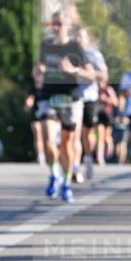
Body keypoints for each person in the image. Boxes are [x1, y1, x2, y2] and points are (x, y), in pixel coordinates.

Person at [38, 11, 95, 202]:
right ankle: (55, 174)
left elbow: (92, 75)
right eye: (54, 23)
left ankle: (67, 184)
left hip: (70, 98)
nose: (56, 27)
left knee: (67, 144)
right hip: (49, 96)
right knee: (48, 140)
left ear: (68, 27)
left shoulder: (75, 47)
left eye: (60, 24)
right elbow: (38, 70)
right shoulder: (45, 46)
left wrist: (74, 70)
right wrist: (38, 71)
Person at [74, 26, 107, 181]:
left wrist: (86, 73)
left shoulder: (94, 55)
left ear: (87, 39)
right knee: (75, 133)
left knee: (87, 133)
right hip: (73, 98)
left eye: (81, 36)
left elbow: (104, 77)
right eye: (76, 36)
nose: (78, 39)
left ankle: (88, 157)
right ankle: (75, 166)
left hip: (90, 97)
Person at [24, 63, 46, 165]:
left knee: (48, 135)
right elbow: (29, 99)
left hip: (48, 115)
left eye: (41, 72)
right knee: (38, 133)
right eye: (37, 72)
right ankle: (40, 155)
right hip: (36, 113)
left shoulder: (48, 87)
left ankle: (50, 154)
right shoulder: (32, 87)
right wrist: (28, 103)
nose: (39, 74)